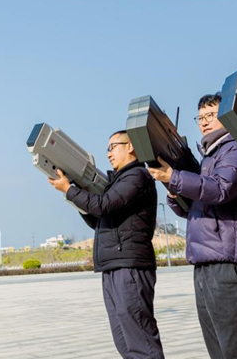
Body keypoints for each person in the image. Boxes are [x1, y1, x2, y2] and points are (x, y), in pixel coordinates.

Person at [148, 93, 237, 359]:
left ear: (229, 116)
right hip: (206, 261)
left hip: (228, 262)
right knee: (220, 348)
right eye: (200, 117)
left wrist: (175, 177)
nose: (203, 121)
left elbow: (221, 189)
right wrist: (175, 194)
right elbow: (196, 208)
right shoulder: (209, 158)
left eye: (211, 115)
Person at [48, 130, 164, 359]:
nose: (109, 154)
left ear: (130, 146)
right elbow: (98, 219)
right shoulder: (117, 182)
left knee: (139, 338)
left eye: (113, 147)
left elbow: (103, 205)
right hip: (113, 265)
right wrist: (78, 197)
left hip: (129, 266)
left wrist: (70, 190)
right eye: (107, 149)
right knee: (124, 340)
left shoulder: (137, 176)